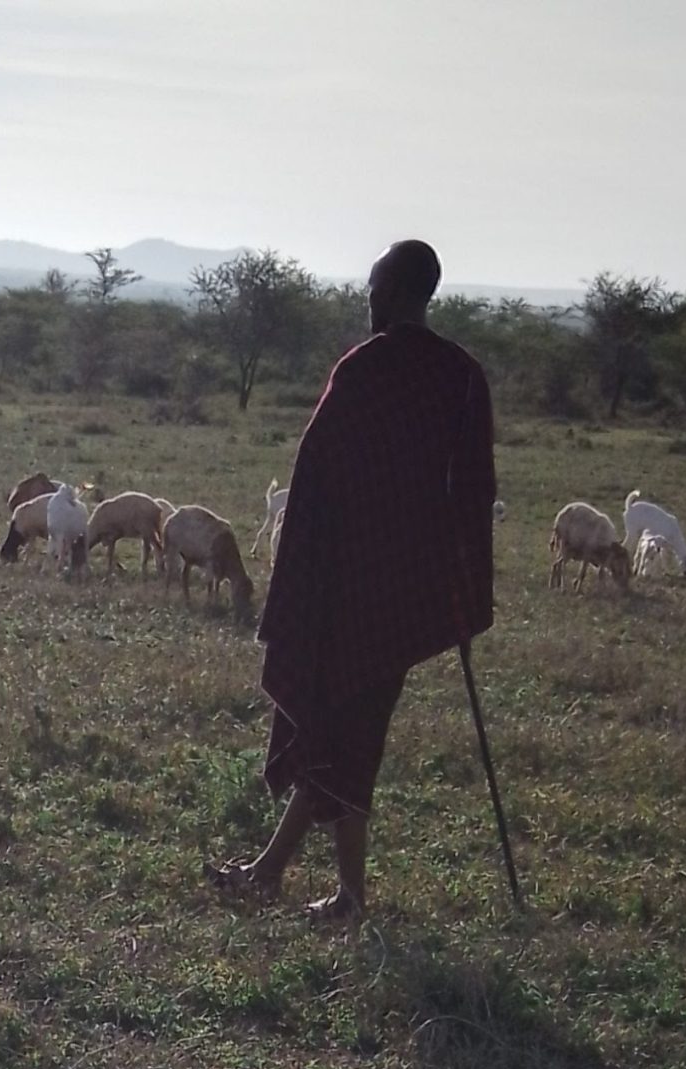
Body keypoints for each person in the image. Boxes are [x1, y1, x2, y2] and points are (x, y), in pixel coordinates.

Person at [211, 239, 498, 920]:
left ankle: (318, 887)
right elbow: (473, 495)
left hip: (344, 585)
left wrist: (300, 578)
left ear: (400, 293)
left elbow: (315, 481)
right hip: (406, 592)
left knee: (340, 723)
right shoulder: (462, 375)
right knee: (348, 727)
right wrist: (459, 589)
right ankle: (304, 881)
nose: (368, 301)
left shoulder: (365, 370)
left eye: (374, 289)